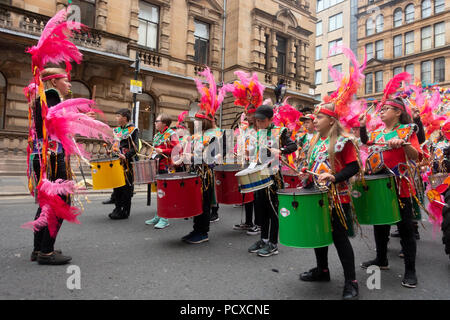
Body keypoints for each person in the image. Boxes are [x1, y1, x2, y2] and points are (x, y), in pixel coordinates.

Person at [298, 103, 360, 300]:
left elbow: (353, 167)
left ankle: (352, 281)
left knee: (340, 239)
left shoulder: (343, 141)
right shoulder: (316, 141)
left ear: (331, 120)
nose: (314, 121)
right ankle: (322, 271)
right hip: (317, 195)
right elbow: (315, 165)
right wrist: (306, 173)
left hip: (337, 197)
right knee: (319, 235)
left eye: (319, 117)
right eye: (314, 117)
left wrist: (335, 177)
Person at [359, 96, 421, 288]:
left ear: (398, 112)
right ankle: (381, 259)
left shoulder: (407, 130)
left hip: (400, 186)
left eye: (386, 108)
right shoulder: (378, 133)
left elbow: (416, 156)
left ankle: (410, 271)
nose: (381, 111)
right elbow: (367, 144)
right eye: (381, 109)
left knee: (405, 229)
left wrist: (404, 144)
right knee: (380, 226)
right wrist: (362, 127)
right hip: (379, 186)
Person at [29, 68, 74, 265]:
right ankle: (47, 252)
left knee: (46, 203)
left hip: (43, 156)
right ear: (54, 82)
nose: (69, 84)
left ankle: (38, 248)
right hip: (52, 158)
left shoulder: (41, 97)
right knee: (60, 203)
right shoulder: (51, 95)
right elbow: (59, 126)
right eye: (66, 80)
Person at [247, 105, 297, 257]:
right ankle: (263, 239)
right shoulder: (258, 133)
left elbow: (293, 146)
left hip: (273, 176)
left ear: (270, 119)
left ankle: (273, 244)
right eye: (257, 121)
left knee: (272, 211)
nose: (259, 124)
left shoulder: (279, 132)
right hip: (259, 175)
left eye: (262, 121)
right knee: (261, 209)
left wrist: (280, 150)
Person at [145, 113, 179, 229]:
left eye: (157, 121)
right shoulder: (156, 136)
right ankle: (159, 215)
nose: (155, 123)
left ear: (164, 123)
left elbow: (177, 149)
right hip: (157, 166)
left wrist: (163, 150)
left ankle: (165, 218)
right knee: (160, 192)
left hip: (167, 167)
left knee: (165, 192)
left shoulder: (172, 134)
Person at [108, 108, 139, 220]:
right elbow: (114, 144)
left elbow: (136, 148)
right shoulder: (116, 130)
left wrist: (126, 156)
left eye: (118, 116)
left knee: (126, 187)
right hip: (116, 161)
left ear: (124, 118)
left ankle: (124, 211)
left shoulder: (133, 130)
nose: (116, 118)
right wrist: (110, 149)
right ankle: (117, 208)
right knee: (117, 186)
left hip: (127, 163)